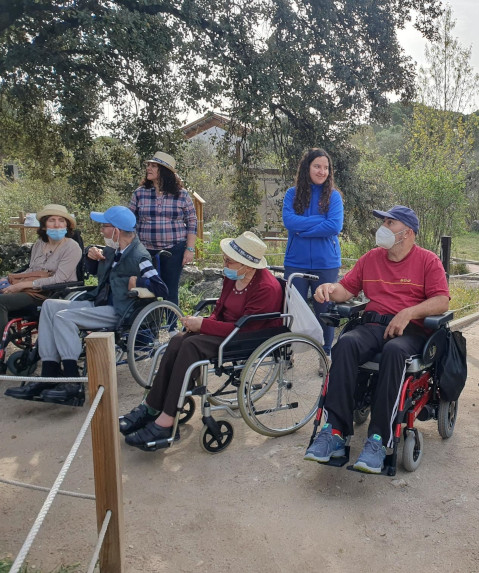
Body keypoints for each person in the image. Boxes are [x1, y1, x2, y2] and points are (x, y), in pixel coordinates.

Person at [303, 205, 450, 474]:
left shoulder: (428, 261)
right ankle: (334, 431)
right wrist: (328, 288)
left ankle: (379, 440)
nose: (382, 228)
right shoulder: (371, 258)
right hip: (373, 325)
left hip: (411, 331)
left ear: (407, 233)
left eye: (389, 223)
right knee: (345, 344)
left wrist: (409, 312)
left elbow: (441, 300)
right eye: (383, 222)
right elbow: (345, 289)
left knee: (395, 352)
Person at [119, 232, 284, 450]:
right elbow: (219, 311)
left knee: (190, 345)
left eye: (229, 260)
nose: (225, 263)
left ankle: (167, 420)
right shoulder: (233, 276)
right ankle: (152, 406)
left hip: (247, 338)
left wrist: (203, 326)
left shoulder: (266, 288)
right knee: (178, 339)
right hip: (226, 331)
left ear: (248, 265)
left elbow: (244, 328)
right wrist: (199, 323)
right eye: (225, 258)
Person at [4, 206, 167, 406]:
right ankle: (49, 373)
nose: (101, 230)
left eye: (104, 227)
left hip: (121, 310)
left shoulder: (139, 256)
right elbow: (96, 272)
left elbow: (161, 288)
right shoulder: (114, 250)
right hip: (100, 301)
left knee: (64, 317)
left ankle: (73, 382)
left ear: (116, 230)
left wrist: (139, 283)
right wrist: (90, 255)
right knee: (49, 306)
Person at [283, 148, 344, 365]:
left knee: (325, 311)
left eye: (326, 167)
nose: (322, 171)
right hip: (295, 262)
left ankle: (325, 353)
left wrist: (303, 230)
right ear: (307, 167)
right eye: (317, 166)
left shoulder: (334, 196)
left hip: (325, 263)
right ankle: (287, 352)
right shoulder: (292, 194)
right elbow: (289, 222)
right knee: (292, 310)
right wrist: (320, 221)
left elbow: (334, 225)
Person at [0, 204, 82, 334]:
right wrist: (10, 279)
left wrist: (22, 285)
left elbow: (60, 279)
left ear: (67, 226)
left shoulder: (72, 247)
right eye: (52, 220)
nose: (57, 225)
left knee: (1, 302)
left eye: (61, 221)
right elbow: (32, 270)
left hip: (49, 293)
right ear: (44, 226)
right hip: (29, 289)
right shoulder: (39, 244)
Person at [128, 151, 197, 306]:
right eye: (148, 165)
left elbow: (192, 222)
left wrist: (190, 249)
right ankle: (148, 326)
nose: (148, 168)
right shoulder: (140, 193)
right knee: (145, 288)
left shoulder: (181, 195)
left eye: (154, 166)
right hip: (145, 250)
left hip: (174, 249)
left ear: (164, 172)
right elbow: (130, 221)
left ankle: (172, 328)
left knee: (170, 289)